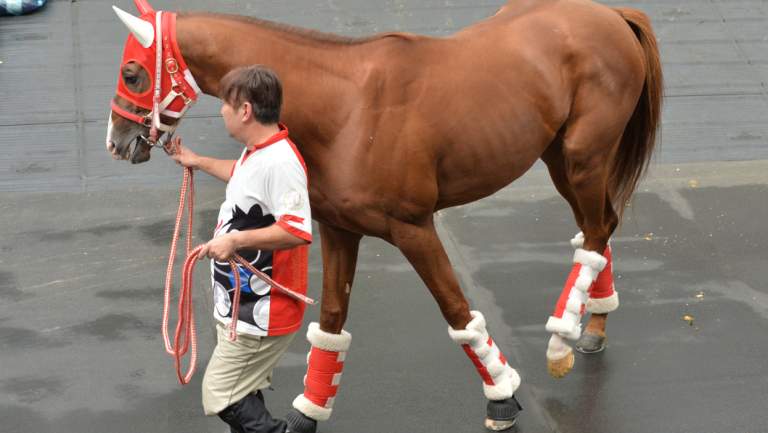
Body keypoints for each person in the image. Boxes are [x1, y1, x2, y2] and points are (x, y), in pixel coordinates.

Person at [168, 65, 315, 433]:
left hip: (261, 312)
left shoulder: (281, 162)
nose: (220, 110)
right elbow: (242, 175)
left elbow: (297, 230)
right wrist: (198, 161)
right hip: (241, 306)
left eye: (225, 103)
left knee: (222, 393)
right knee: (244, 388)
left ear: (245, 110)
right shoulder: (258, 152)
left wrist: (234, 240)